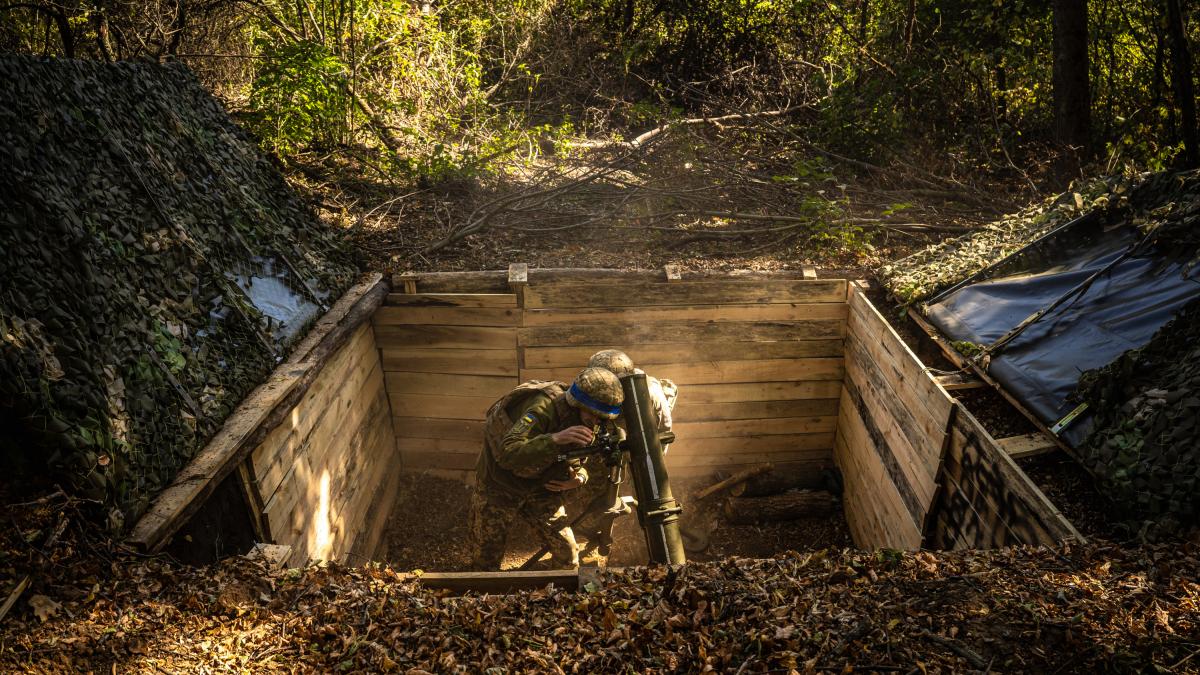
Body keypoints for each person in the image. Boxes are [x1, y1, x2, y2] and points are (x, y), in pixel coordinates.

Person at [469, 367, 624, 570]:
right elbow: (508, 453)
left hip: (541, 488)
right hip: (500, 484)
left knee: (568, 555)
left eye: (602, 417)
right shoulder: (543, 407)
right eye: (594, 415)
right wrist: (555, 439)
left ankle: (551, 596)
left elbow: (582, 461)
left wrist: (579, 478)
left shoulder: (592, 422)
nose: (597, 421)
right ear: (578, 403)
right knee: (485, 561)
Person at [570, 349, 678, 560]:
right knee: (600, 477)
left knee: (646, 489)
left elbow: (662, 429)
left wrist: (650, 463)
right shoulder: (596, 384)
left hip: (640, 428)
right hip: (611, 424)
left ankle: (642, 536)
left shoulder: (650, 392)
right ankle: (597, 518)